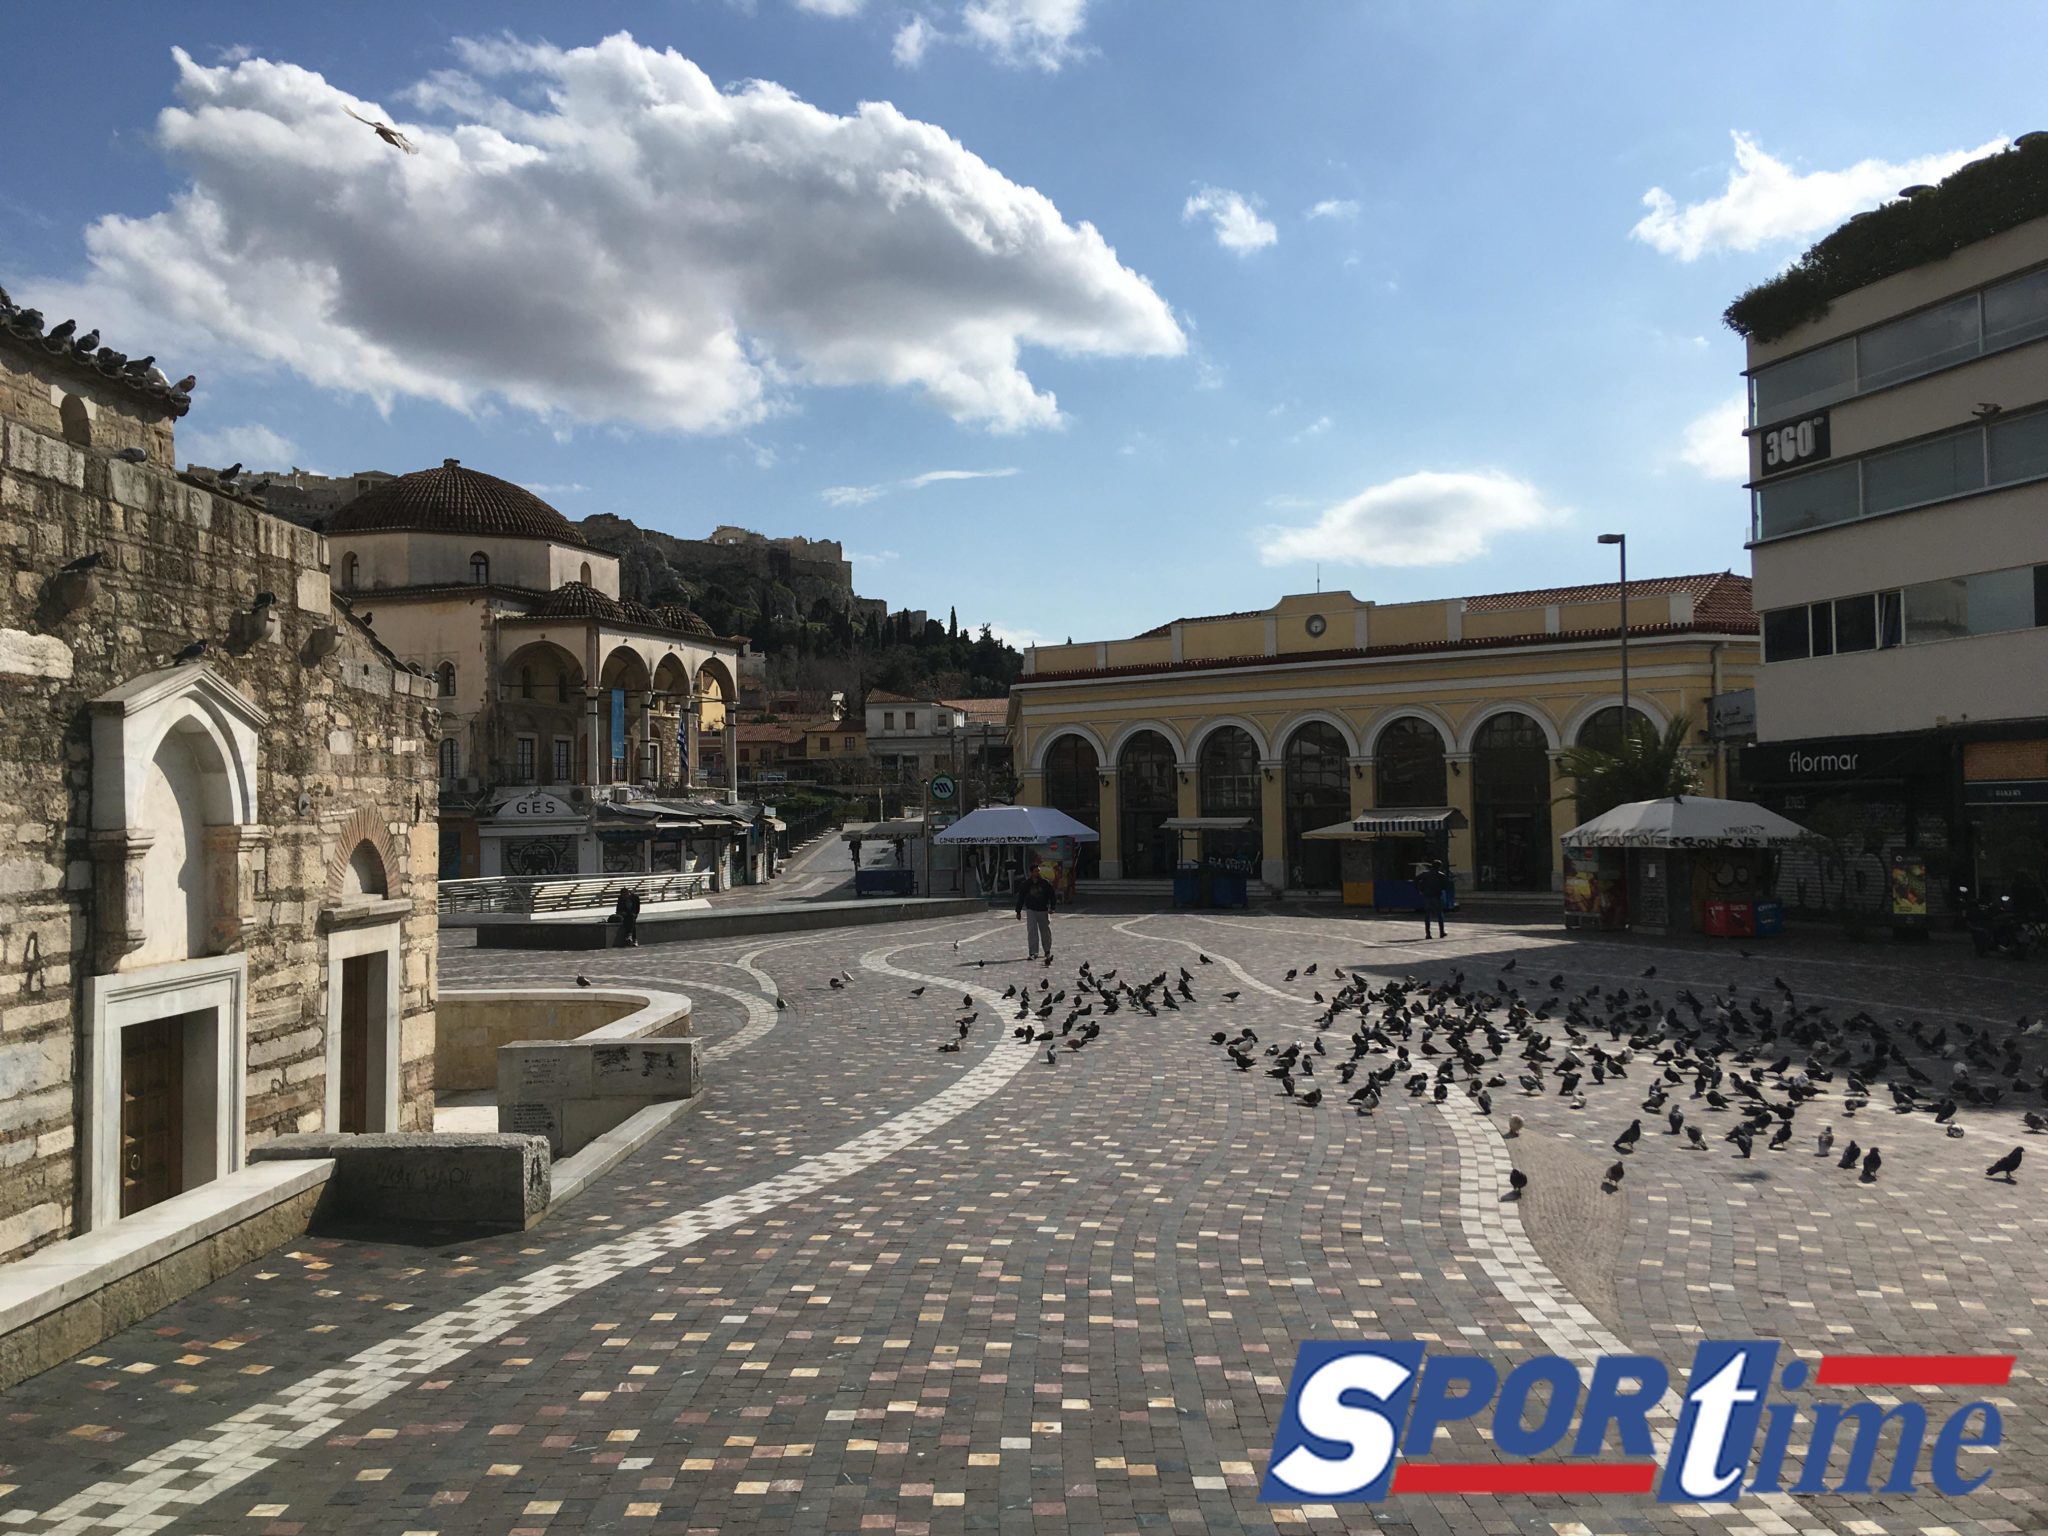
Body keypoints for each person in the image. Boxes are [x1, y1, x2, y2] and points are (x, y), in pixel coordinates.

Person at [1016, 867, 1058, 965]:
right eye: (1035, 871)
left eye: (1038, 871)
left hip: (1043, 910)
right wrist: (1018, 911)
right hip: (1031, 910)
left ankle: (1047, 950)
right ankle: (1033, 952)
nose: (1038, 873)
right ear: (1031, 872)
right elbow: (1021, 897)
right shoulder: (1026, 884)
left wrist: (1052, 907)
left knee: (1045, 931)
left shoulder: (1045, 883)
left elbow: (1052, 895)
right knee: (1032, 931)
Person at [1414, 860, 1449, 939]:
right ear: (1439, 867)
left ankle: (1428, 934)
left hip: (1427, 895)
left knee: (1427, 915)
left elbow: (1416, 880)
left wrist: (1419, 889)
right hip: (1436, 895)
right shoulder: (1441, 875)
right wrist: (1440, 889)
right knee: (1439, 914)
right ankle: (1441, 932)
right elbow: (1445, 885)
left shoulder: (1425, 874)